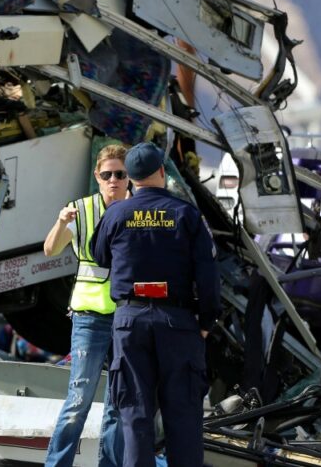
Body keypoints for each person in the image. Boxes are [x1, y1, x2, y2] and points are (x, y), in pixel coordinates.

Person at [91, 143, 219, 467]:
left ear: (131, 178)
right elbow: (208, 275)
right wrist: (206, 322)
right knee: (184, 418)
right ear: (162, 172)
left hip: (130, 322)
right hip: (177, 321)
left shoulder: (116, 213)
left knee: (135, 417)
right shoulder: (187, 215)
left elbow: (99, 255)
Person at [42, 144, 129, 467]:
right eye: (107, 175)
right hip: (90, 318)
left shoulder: (138, 209)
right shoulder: (82, 209)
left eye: (120, 174)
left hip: (126, 319)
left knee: (118, 404)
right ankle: (57, 464)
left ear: (128, 176)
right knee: (78, 400)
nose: (113, 181)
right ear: (97, 176)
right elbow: (51, 249)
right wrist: (61, 221)